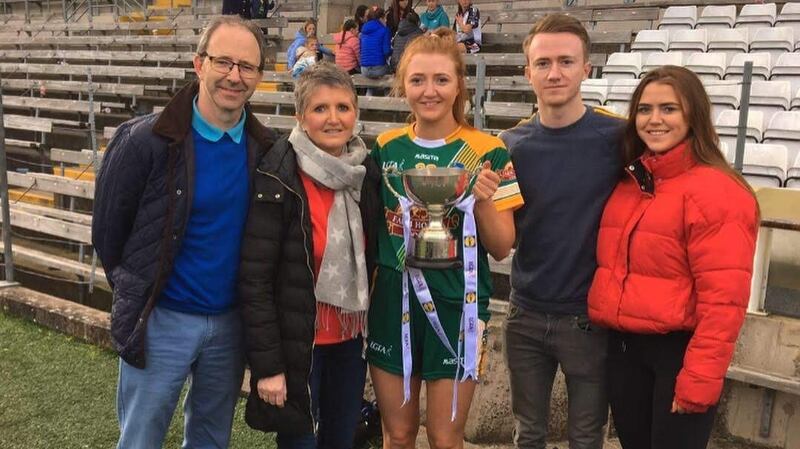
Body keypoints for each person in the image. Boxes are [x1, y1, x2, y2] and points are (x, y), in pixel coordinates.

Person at [92, 16, 275, 449]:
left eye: (246, 66)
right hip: (162, 320)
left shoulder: (266, 149)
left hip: (229, 326)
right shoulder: (144, 140)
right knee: (140, 439)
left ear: (258, 76)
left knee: (211, 440)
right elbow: (108, 233)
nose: (234, 76)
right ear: (199, 63)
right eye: (223, 62)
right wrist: (140, 292)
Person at [588, 65, 759, 449]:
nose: (654, 119)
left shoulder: (719, 192)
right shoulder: (630, 182)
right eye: (644, 109)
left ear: (693, 114)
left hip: (678, 355)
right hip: (626, 351)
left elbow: (724, 302)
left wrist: (699, 378)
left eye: (669, 108)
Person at [367, 28, 523, 449]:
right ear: (403, 85)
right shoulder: (385, 147)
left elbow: (502, 246)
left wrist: (484, 201)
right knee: (398, 434)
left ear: (458, 85)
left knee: (444, 437)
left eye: (441, 79)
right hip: (393, 301)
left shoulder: (489, 151)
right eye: (417, 80)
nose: (429, 91)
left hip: (459, 303)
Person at [240, 62, 382, 449]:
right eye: (320, 108)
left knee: (340, 440)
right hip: (298, 347)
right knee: (300, 443)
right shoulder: (278, 173)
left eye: (343, 107)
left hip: (349, 342)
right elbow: (255, 277)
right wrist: (268, 366)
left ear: (355, 112)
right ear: (300, 117)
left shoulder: (366, 172)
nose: (333, 118)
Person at [499, 14, 624, 449]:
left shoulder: (618, 138)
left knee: (586, 439)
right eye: (543, 63)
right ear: (527, 72)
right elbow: (505, 235)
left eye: (566, 62)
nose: (554, 73)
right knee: (527, 435)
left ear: (586, 68)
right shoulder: (509, 145)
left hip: (589, 319)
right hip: (525, 314)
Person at [360, 6, 391, 80]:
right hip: (378, 69)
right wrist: (392, 50)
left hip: (364, 69)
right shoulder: (385, 30)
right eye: (385, 18)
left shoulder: (363, 31)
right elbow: (386, 51)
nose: (386, 20)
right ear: (380, 19)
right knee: (393, 70)